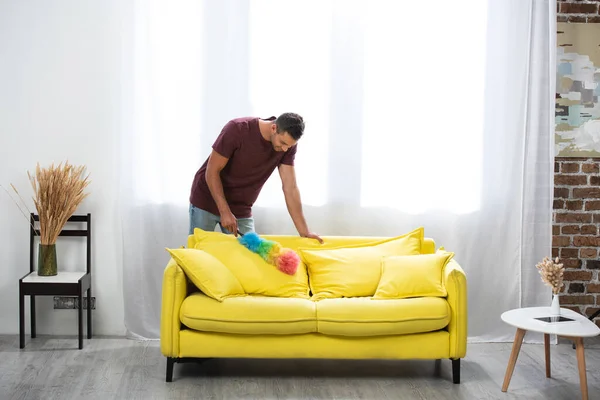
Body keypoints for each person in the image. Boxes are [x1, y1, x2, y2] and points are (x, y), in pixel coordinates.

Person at [189, 113, 323, 243]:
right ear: (273, 128)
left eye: (289, 146)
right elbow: (212, 171)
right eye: (282, 143)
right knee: (199, 253)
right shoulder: (238, 129)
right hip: (207, 200)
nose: (284, 149)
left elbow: (290, 187)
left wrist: (305, 232)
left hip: (241, 208)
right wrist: (224, 211)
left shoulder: (287, 146)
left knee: (249, 256)